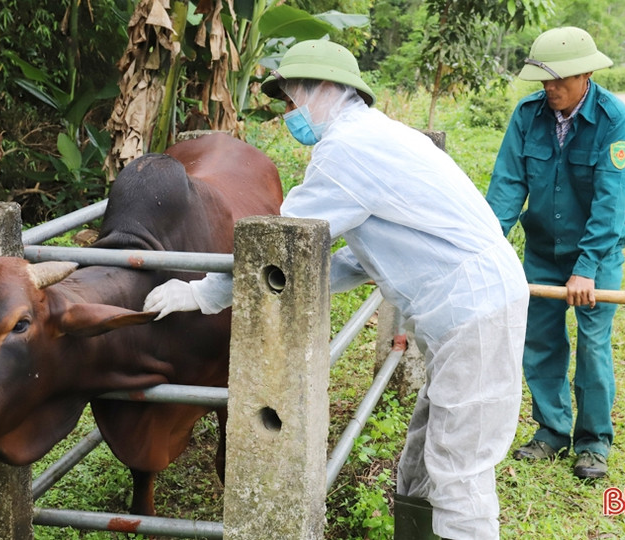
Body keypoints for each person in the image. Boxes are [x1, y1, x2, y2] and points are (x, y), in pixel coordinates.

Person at [143, 39, 529, 539]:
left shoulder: (347, 152)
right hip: (462, 309)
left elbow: (281, 243)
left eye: (291, 98)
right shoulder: (374, 136)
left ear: (327, 88)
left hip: (473, 312)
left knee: (458, 472)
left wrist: (203, 294)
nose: (288, 113)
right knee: (423, 455)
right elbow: (342, 258)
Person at [486, 26, 625, 480]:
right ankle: (551, 430)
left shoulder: (614, 119)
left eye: (560, 80)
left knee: (592, 344)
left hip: (597, 255)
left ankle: (592, 442)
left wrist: (587, 268)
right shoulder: (528, 115)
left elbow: (609, 204)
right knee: (541, 340)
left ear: (585, 73)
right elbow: (508, 186)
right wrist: (486, 246)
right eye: (544, 81)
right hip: (544, 251)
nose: (550, 88)